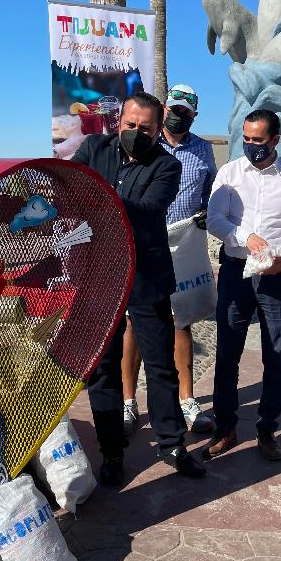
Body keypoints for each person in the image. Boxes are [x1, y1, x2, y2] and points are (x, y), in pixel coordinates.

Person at [71, 92, 206, 482]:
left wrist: (98, 199)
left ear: (157, 127)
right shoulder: (94, 148)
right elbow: (70, 190)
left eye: (145, 128)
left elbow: (149, 211)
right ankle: (112, 453)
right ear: (119, 121)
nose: (136, 132)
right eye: (130, 125)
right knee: (103, 368)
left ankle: (172, 445)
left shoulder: (166, 165)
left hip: (146, 276)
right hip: (98, 277)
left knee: (161, 366)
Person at [205, 110, 281, 462]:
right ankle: (226, 427)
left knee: (276, 355)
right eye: (247, 139)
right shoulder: (230, 173)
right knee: (227, 354)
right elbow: (214, 218)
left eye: (259, 140)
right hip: (236, 273)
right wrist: (242, 235)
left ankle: (267, 429)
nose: (251, 146)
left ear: (275, 140)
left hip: (277, 278)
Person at [120, 84, 216, 436]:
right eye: (173, 109)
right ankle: (129, 402)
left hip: (183, 243)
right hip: (144, 245)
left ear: (193, 115)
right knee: (135, 323)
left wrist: (207, 211)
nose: (178, 116)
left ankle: (186, 400)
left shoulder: (203, 150)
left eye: (185, 112)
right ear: (163, 109)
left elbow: (210, 193)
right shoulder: (144, 144)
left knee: (181, 321)